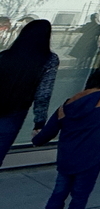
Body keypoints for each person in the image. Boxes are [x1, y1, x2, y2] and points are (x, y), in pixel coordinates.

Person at [32, 69, 100, 209]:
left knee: (58, 193)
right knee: (80, 196)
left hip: (66, 158)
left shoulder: (66, 105)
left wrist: (36, 139)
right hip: (91, 158)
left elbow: (48, 132)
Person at [0, 19, 59, 165]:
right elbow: (43, 93)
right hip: (15, 111)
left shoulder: (5, 56)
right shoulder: (49, 60)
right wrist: (39, 122)